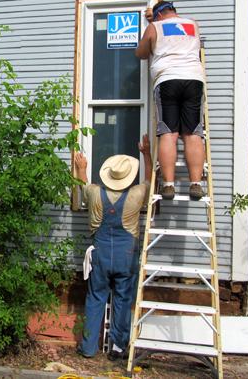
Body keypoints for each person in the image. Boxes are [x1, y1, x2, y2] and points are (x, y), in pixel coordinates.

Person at [75, 134, 152, 361]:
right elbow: (150, 181)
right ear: (128, 178)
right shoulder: (137, 195)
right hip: (126, 255)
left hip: (101, 255)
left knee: (95, 298)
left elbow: (82, 185)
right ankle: (118, 349)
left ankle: (88, 348)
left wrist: (82, 167)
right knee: (123, 298)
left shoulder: (95, 193)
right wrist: (146, 153)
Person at [135, 0, 206, 200]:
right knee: (192, 133)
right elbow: (175, 29)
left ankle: (168, 186)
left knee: (169, 133)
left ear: (157, 15)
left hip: (167, 79)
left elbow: (141, 54)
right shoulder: (192, 24)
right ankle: (196, 184)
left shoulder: (155, 27)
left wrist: (149, 27)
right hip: (193, 79)